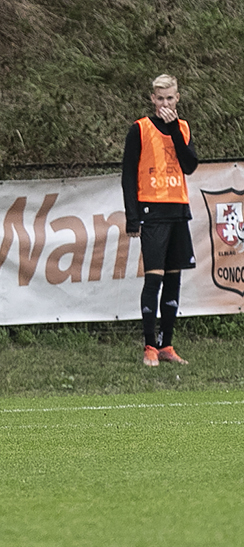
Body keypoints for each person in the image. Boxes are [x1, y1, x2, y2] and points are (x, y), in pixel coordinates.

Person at [122, 74, 199, 367]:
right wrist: (133, 218)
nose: (165, 103)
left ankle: (167, 344)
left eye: (170, 98)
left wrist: (175, 130)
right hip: (152, 212)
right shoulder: (140, 129)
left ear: (177, 98)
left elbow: (190, 165)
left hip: (178, 209)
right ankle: (149, 346)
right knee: (154, 278)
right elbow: (128, 175)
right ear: (152, 99)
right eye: (160, 98)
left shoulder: (183, 128)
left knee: (174, 279)